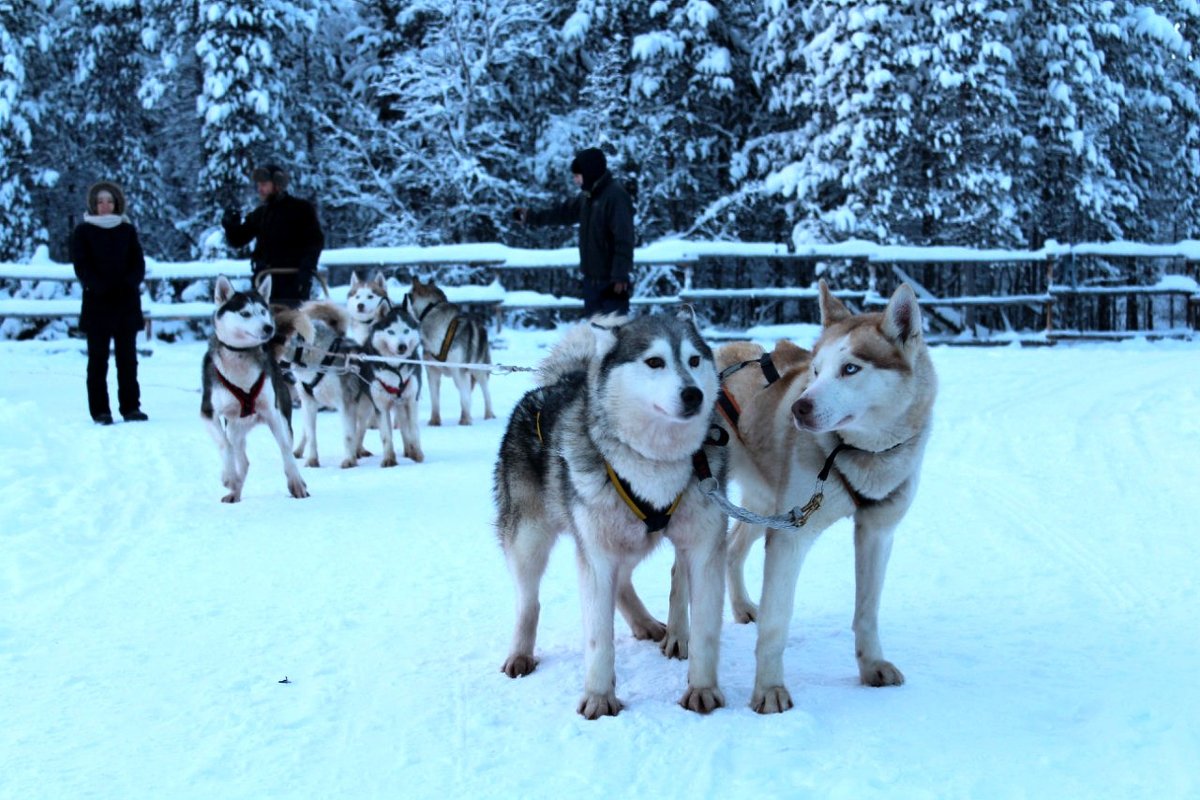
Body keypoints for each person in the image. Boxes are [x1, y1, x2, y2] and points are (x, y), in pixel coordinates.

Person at [514, 147, 635, 316]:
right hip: (591, 280)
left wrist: (620, 276)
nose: (576, 180)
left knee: (614, 336)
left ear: (590, 172)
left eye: (578, 176)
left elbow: (624, 239)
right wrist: (531, 217)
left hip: (612, 282)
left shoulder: (616, 197)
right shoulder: (587, 197)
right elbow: (562, 213)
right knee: (594, 334)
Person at [70, 181, 149, 425]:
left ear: (117, 204)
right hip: (97, 305)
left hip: (126, 303)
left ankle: (130, 407)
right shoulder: (83, 232)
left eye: (109, 201)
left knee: (128, 360)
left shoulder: (127, 230)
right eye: (100, 201)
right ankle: (100, 411)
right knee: (98, 361)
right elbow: (81, 266)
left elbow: (138, 263)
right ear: (93, 205)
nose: (105, 206)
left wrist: (128, 283)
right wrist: (99, 286)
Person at [221, 163, 324, 308]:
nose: (259, 189)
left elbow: (315, 242)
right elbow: (238, 240)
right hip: (263, 283)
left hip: (292, 282)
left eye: (263, 184)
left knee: (293, 324)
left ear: (277, 184)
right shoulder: (261, 214)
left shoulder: (301, 209)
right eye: (258, 185)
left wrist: (306, 271)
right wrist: (231, 226)